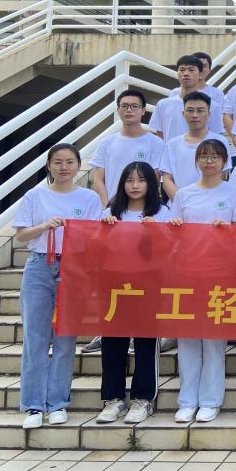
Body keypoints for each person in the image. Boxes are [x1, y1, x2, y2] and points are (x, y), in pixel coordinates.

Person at [14, 144, 102, 429]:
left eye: (69, 162)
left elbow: (95, 236)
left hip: (73, 267)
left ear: (78, 165)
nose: (64, 168)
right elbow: (21, 235)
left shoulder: (89, 198)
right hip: (39, 265)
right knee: (35, 338)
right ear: (48, 165)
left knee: (65, 339)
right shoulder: (35, 195)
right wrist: (44, 227)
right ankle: (33, 405)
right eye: (58, 162)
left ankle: (57, 403)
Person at [167, 139, 236, 423]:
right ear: (196, 161)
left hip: (219, 273)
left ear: (224, 162)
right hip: (187, 273)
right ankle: (187, 401)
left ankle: (211, 401)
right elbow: (172, 236)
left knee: (213, 340)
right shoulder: (183, 194)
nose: (209, 162)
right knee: (187, 338)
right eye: (204, 156)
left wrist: (229, 231)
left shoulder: (235, 193)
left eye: (215, 157)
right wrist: (174, 228)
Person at [96, 162, 169, 426]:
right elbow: (95, 247)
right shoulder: (109, 212)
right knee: (112, 341)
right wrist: (104, 228)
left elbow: (169, 251)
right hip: (114, 283)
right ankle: (112, 398)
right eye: (129, 180)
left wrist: (156, 232)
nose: (135, 186)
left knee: (145, 341)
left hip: (148, 283)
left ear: (152, 184)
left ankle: (142, 398)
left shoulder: (162, 213)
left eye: (141, 180)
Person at [88, 89, 165, 208]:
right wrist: (107, 206)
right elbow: (97, 179)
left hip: (143, 210)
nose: (129, 110)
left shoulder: (156, 143)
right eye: (124, 106)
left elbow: (155, 178)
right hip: (112, 210)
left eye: (134, 106)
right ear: (118, 110)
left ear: (143, 110)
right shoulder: (106, 142)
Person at [160, 92, 230, 199]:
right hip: (179, 204)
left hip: (211, 202)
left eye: (200, 111)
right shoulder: (172, 144)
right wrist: (181, 202)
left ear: (209, 114)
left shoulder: (220, 141)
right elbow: (167, 179)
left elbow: (223, 174)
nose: (195, 115)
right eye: (190, 110)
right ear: (183, 113)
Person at [151, 55, 225, 141]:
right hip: (171, 149)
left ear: (200, 74)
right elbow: (160, 133)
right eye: (182, 70)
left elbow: (216, 136)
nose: (186, 73)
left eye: (191, 70)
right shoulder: (163, 104)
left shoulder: (213, 106)